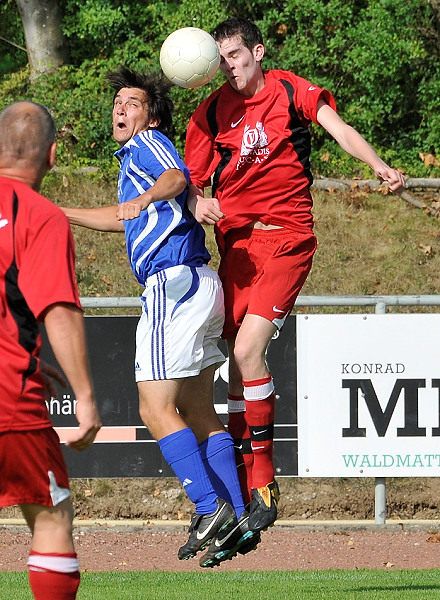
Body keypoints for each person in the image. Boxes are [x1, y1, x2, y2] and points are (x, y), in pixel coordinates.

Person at [185, 17, 406, 533]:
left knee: (247, 351)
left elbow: (338, 128)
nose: (229, 66)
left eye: (236, 55)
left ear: (257, 52)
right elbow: (188, 182)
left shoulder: (289, 90)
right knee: (235, 365)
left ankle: (263, 478)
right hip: (237, 248)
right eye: (221, 58)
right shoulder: (210, 111)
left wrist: (377, 164)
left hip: (287, 238)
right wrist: (198, 204)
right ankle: (242, 483)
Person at [61, 67, 259, 568]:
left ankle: (209, 507)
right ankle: (237, 513)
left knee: (153, 409)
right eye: (117, 102)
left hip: (172, 284)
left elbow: (176, 178)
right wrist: (62, 213)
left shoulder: (147, 144)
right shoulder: (134, 161)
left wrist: (148, 196)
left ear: (150, 117)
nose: (120, 108)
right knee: (196, 409)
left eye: (132, 102)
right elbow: (121, 216)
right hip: (197, 282)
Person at [0, 101, 102, 600]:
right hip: (9, 399)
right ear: (53, 154)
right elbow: (57, 308)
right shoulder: (39, 215)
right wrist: (85, 397)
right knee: (51, 516)